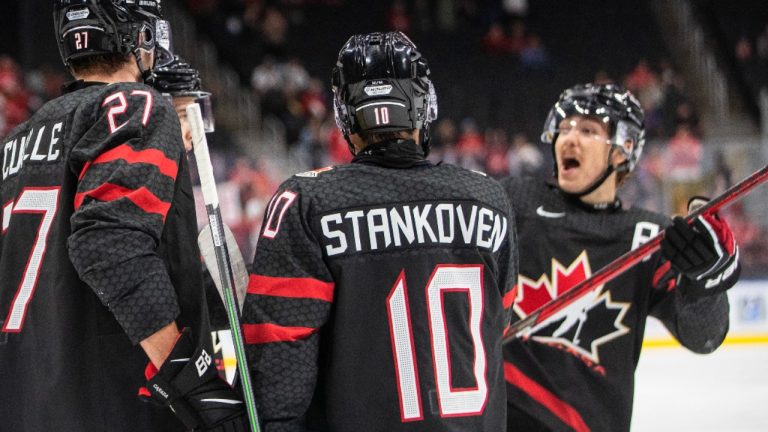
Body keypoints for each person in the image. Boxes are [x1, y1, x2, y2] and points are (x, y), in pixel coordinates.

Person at [243, 31, 518, 431]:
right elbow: (500, 315)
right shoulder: (487, 199)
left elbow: (278, 365)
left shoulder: (307, 202)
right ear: (424, 105)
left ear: (346, 115)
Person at [0, 1, 246, 431]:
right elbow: (109, 245)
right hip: (110, 398)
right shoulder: (136, 103)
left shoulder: (16, 140)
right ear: (142, 36)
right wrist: (191, 377)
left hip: (28, 397)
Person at [501, 83, 740, 432]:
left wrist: (704, 281)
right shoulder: (513, 201)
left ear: (623, 149)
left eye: (587, 130)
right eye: (564, 127)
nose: (569, 138)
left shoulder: (647, 236)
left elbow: (704, 337)